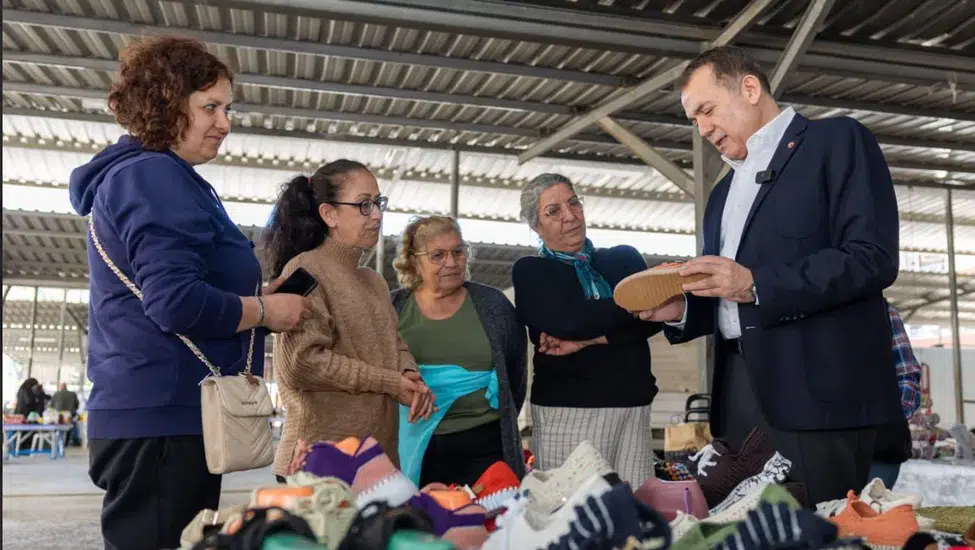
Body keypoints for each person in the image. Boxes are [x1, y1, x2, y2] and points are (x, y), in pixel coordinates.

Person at [68, 36, 312, 550]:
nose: (225, 122)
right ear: (166, 105)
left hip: (164, 415)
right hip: (164, 419)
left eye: (227, 108)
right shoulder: (155, 176)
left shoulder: (158, 177)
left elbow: (175, 287)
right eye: (210, 107)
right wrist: (265, 309)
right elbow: (174, 303)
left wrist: (257, 300)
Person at [636, 46, 902, 506]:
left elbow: (872, 257)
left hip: (817, 399)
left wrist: (757, 284)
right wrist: (682, 309)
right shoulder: (721, 194)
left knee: (812, 526)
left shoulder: (836, 142)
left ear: (750, 88)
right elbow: (727, 291)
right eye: (693, 120)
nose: (702, 129)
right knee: (741, 531)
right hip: (738, 394)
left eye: (707, 110)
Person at [263, 159, 434, 482]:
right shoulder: (305, 270)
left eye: (378, 203)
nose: (377, 215)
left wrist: (409, 375)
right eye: (364, 205)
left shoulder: (374, 281)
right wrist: (390, 382)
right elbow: (303, 364)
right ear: (329, 214)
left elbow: (393, 344)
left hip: (376, 461)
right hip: (316, 463)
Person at [511, 173, 662, 487]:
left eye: (573, 202)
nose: (570, 216)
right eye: (553, 211)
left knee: (635, 513)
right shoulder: (532, 271)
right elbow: (568, 321)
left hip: (633, 406)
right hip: (568, 411)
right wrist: (632, 306)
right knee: (572, 513)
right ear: (536, 226)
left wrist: (592, 338)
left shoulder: (624, 257)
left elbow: (656, 318)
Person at [390, 215, 528, 487]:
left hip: (486, 447)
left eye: (458, 252)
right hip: (415, 450)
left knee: (492, 521)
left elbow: (515, 376)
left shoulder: (494, 305)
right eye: (437, 255)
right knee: (423, 524)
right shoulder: (392, 308)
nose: (451, 263)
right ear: (414, 261)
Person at [869, 301, 922, 487]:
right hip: (826, 443)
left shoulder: (882, 310)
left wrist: (893, 416)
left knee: (874, 510)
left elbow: (907, 374)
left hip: (881, 442)